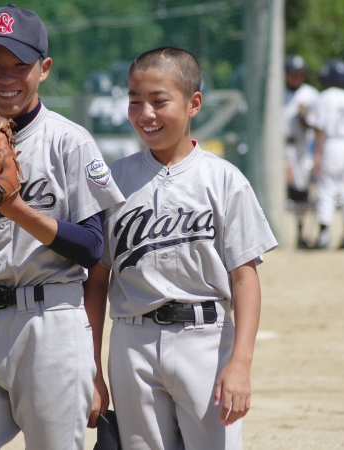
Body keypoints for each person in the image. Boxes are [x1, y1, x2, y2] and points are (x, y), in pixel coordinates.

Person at [0, 4, 125, 450]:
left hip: (50, 324)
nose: (6, 77)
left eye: (20, 64)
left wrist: (13, 206)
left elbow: (92, 248)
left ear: (45, 68)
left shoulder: (68, 141)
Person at [83, 47, 278, 450]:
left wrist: (240, 363)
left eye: (159, 101)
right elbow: (97, 281)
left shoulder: (224, 180)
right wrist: (93, 369)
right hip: (132, 340)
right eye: (135, 102)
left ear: (194, 104)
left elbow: (245, 278)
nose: (145, 114)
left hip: (205, 339)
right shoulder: (114, 182)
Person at [305, 58, 344, 249]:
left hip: (332, 144)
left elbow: (320, 127)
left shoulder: (325, 97)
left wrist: (317, 154)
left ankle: (323, 236)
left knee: (326, 188)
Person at [283, 55, 319, 248]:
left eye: (300, 73)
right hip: (280, 146)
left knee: (301, 190)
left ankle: (301, 233)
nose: (296, 77)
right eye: (293, 73)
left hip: (302, 147)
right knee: (284, 188)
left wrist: (306, 118)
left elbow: (318, 123)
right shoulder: (277, 92)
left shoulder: (310, 94)